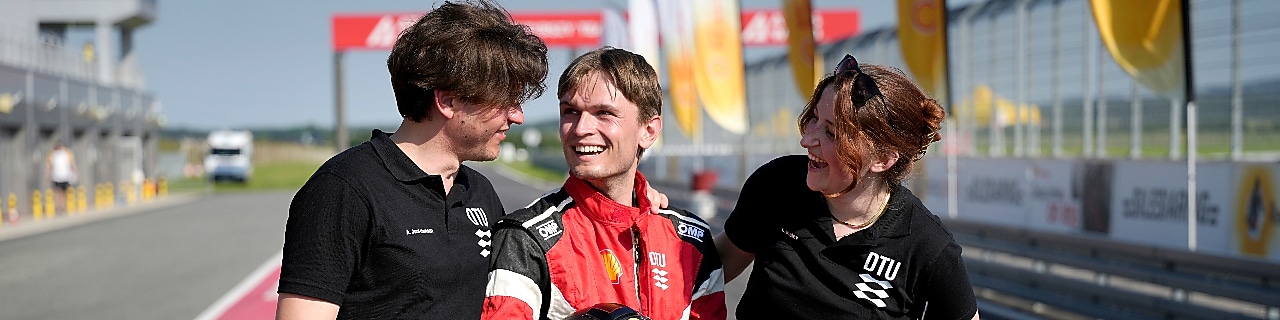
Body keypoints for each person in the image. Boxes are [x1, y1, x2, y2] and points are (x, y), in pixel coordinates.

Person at [275, 1, 548, 318]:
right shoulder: (344, 189)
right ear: (447, 100)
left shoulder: (480, 192)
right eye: (505, 100)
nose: (518, 116)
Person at [714, 54, 979, 319]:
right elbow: (715, 265)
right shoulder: (777, 185)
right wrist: (670, 227)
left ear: (883, 158)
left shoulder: (927, 245)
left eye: (831, 132)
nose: (807, 140)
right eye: (814, 118)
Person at [480, 47, 726, 320]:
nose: (581, 128)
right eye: (570, 111)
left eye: (604, 113)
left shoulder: (693, 240)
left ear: (648, 131)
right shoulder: (526, 238)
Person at [46, 141, 77, 212]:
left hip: (65, 176)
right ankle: (59, 206)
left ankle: (63, 206)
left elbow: (72, 164)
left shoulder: (67, 153)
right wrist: (47, 175)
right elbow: (49, 166)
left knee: (64, 192)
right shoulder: (53, 154)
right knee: (58, 192)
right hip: (56, 176)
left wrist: (75, 173)